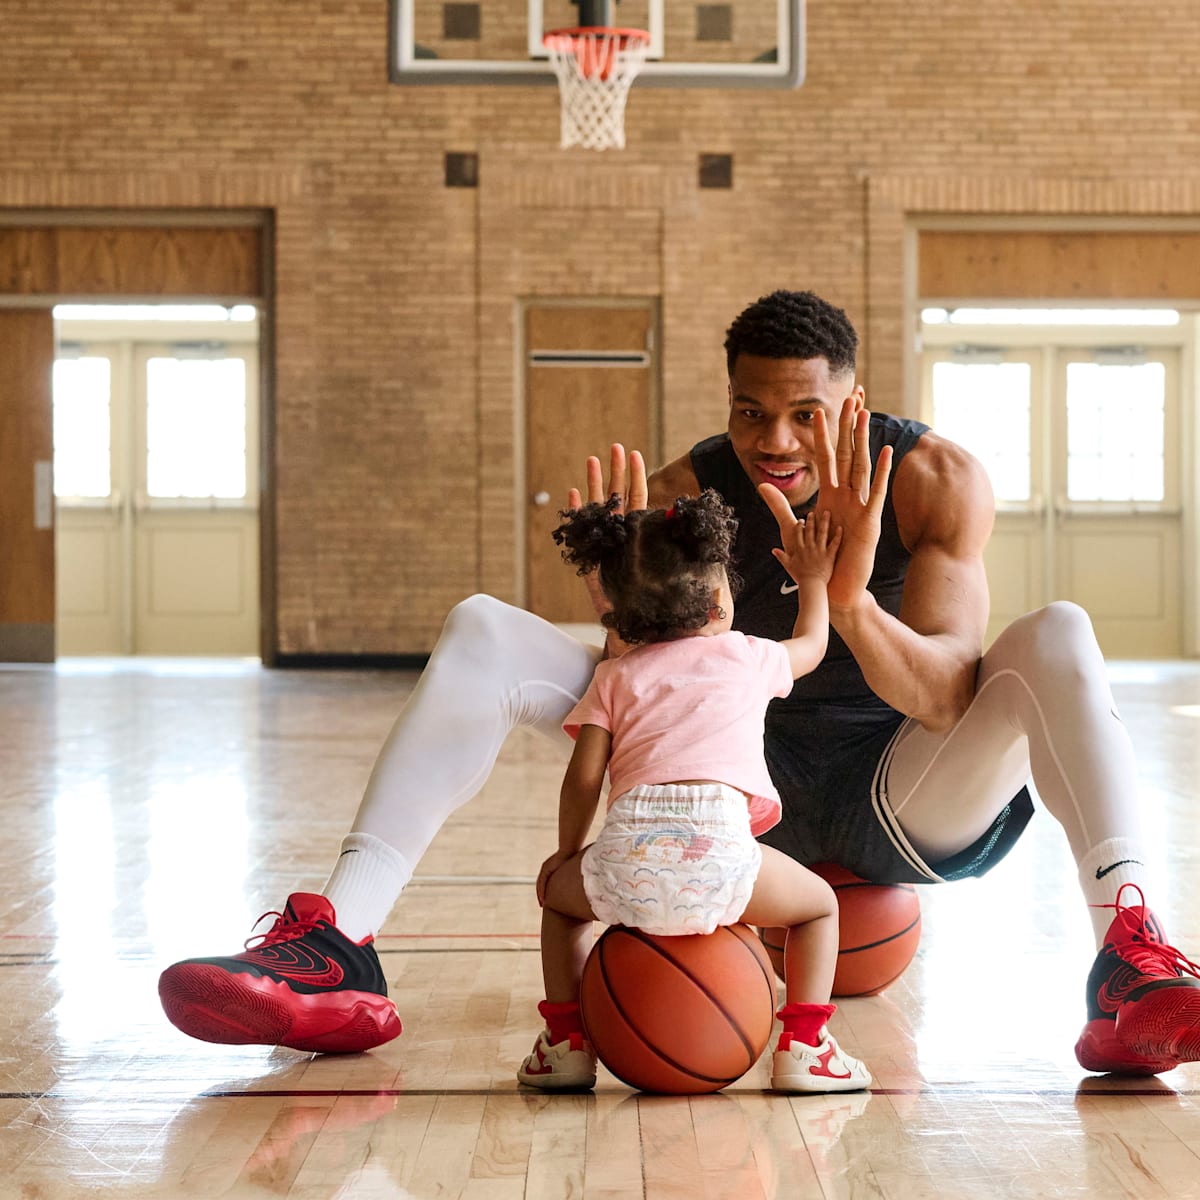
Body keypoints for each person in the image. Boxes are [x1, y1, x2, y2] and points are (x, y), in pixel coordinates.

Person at [159, 288, 1200, 1076]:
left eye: (804, 411)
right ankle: (339, 941)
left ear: (855, 402)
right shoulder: (689, 493)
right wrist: (622, 601)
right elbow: (636, 693)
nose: (777, 440)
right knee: (482, 626)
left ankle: (1133, 955)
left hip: (906, 794)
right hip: (742, 806)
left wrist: (846, 597)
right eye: (752, 412)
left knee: (1057, 633)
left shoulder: (932, 479)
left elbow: (941, 696)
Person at [516, 490, 870, 1092]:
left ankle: (566, 1042)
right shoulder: (746, 657)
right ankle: (805, 1046)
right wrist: (812, 581)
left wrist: (567, 855)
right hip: (722, 861)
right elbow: (813, 643)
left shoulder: (613, 676)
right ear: (716, 604)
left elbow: (582, 778)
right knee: (820, 908)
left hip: (623, 864)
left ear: (620, 617)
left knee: (559, 906)